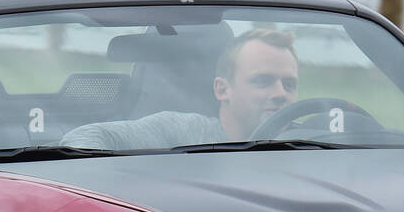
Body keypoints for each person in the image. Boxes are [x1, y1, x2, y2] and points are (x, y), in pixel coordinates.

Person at [61, 30, 299, 151]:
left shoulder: (312, 142)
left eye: (289, 84)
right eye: (262, 81)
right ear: (223, 89)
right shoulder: (182, 132)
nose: (281, 94)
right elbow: (82, 139)